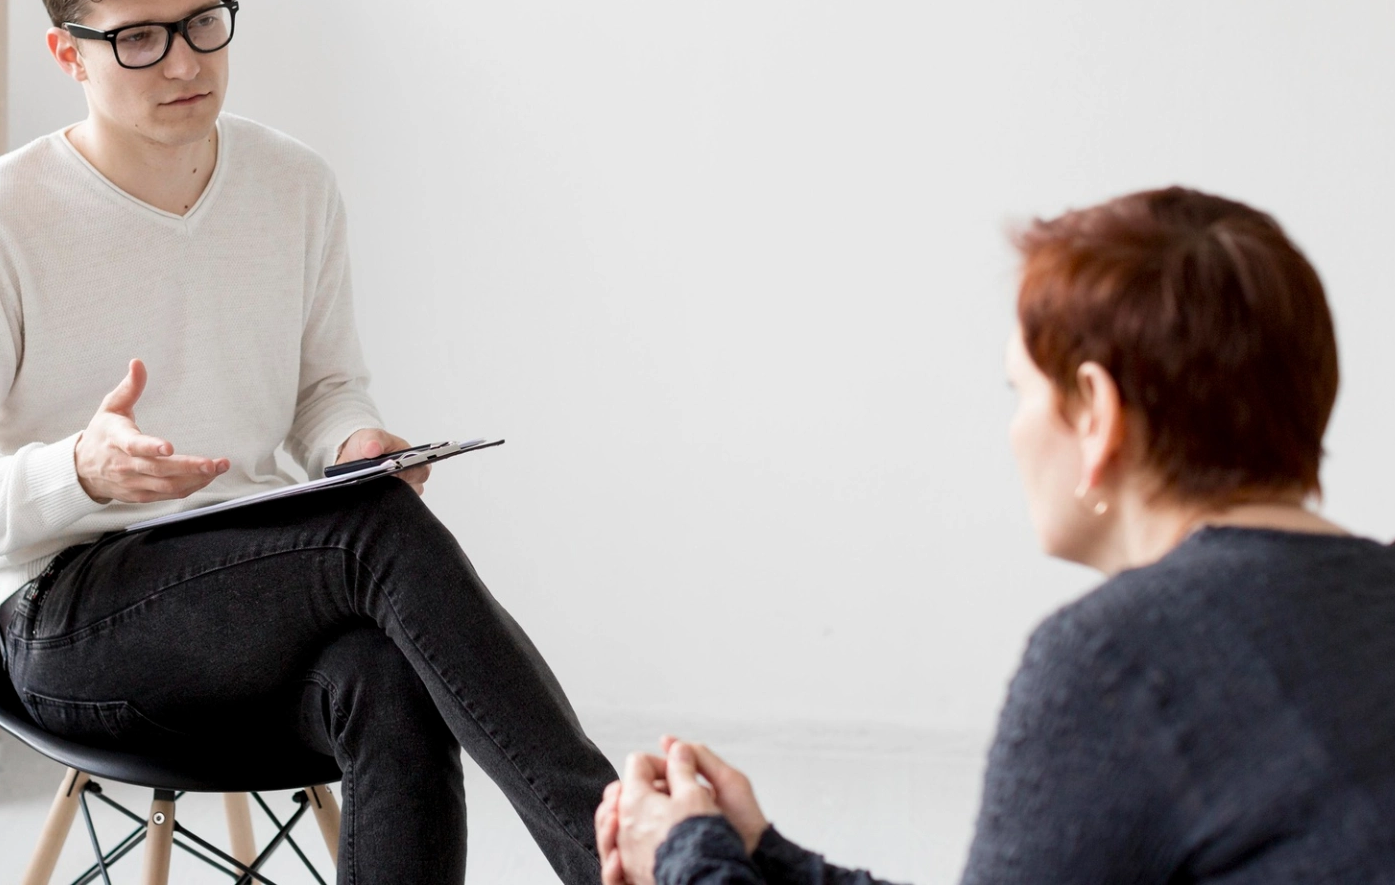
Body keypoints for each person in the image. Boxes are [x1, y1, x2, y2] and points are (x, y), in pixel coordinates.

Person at [0, 0, 615, 885]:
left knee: (387, 680)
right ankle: (626, 852)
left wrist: (353, 444)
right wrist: (79, 472)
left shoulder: (293, 184)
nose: (186, 62)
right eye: (139, 39)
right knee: (375, 532)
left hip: (264, 588)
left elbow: (326, 389)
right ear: (68, 54)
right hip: (75, 616)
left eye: (202, 21)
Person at [597, 187, 1395, 884]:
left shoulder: (1115, 661)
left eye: (1020, 391)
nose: (1014, 432)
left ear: (1096, 411)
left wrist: (684, 854)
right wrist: (763, 856)